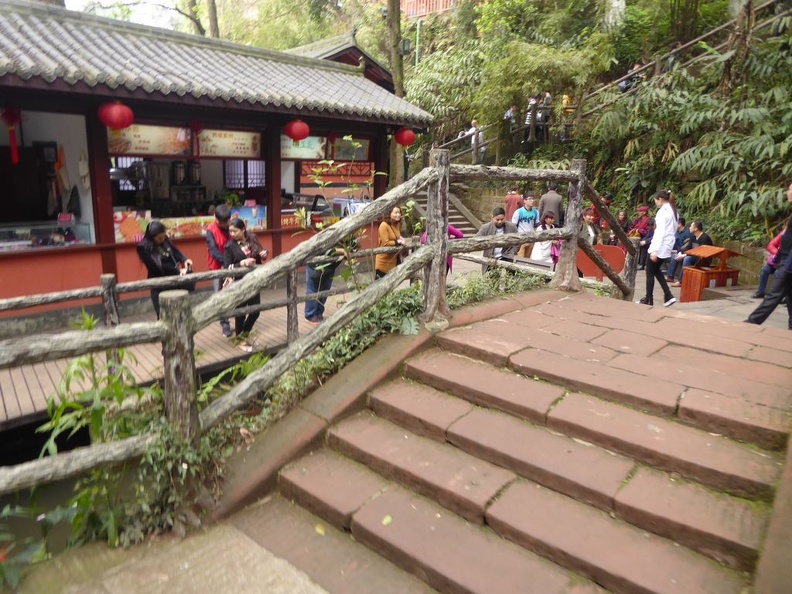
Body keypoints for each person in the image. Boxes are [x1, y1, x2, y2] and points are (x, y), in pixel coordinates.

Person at [745, 182, 792, 329]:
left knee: (774, 294)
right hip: (785, 260)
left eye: (790, 189)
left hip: (789, 262)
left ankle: (752, 322)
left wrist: (787, 266)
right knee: (790, 296)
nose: (787, 192)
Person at [224, 218, 268, 352]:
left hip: (254, 280)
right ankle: (240, 340)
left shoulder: (252, 238)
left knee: (255, 311)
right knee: (241, 312)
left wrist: (264, 254)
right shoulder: (230, 246)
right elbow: (227, 267)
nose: (232, 234)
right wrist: (242, 264)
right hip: (240, 282)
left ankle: (245, 335)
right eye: (230, 231)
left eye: (235, 231)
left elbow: (260, 255)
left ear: (243, 229)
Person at [136, 220, 193, 319]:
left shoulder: (164, 239)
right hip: (158, 283)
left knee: (179, 313)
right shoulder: (143, 247)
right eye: (159, 238)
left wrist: (184, 260)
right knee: (163, 316)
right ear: (152, 237)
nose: (162, 239)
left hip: (174, 282)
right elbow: (155, 266)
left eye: (164, 236)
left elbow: (174, 251)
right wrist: (178, 271)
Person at [636, 190, 678, 307]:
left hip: (659, 246)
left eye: (655, 200)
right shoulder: (673, 211)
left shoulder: (663, 212)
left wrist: (654, 250)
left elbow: (660, 232)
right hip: (666, 246)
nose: (656, 203)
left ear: (660, 199)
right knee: (656, 271)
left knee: (649, 271)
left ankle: (649, 298)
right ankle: (668, 295)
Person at [305, 240, 356, 324]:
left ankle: (318, 313)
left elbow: (355, 245)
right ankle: (310, 316)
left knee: (325, 289)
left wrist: (351, 251)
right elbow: (328, 251)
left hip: (330, 267)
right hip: (315, 264)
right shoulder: (333, 235)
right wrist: (343, 251)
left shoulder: (350, 238)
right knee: (313, 290)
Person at [206, 203, 233, 337]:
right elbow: (213, 251)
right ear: (216, 218)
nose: (225, 224)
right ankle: (225, 324)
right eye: (222, 222)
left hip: (233, 265)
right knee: (220, 294)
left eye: (226, 221)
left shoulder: (232, 226)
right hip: (217, 266)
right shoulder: (210, 230)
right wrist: (225, 262)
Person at [666, 220, 713, 287]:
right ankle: (670, 277)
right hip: (694, 256)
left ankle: (681, 281)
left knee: (687, 259)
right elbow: (687, 247)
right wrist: (680, 253)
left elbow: (701, 252)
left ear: (696, 228)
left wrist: (685, 255)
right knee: (675, 256)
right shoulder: (693, 237)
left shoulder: (705, 238)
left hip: (703, 258)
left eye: (691, 226)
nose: (689, 228)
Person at [476, 207, 518, 274]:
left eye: (502, 219)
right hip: (490, 259)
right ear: (492, 218)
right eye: (497, 219)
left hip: (507, 258)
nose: (500, 221)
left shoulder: (512, 227)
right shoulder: (485, 228)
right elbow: (475, 240)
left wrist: (513, 252)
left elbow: (518, 241)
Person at [753, 226, 786, 298]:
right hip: (776, 261)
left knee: (778, 273)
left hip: (786, 264)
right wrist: (777, 253)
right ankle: (760, 292)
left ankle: (779, 296)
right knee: (764, 270)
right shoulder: (783, 234)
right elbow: (771, 245)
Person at [375, 206, 405, 278]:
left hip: (393, 261)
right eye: (395, 213)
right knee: (381, 287)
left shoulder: (397, 224)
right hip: (383, 262)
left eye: (399, 213)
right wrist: (398, 242)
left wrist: (402, 238)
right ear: (389, 213)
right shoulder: (383, 225)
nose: (398, 215)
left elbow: (396, 235)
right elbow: (385, 243)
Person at [664, 217, 693, 283]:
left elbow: (687, 246)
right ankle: (663, 271)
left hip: (683, 252)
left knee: (674, 256)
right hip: (675, 250)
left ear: (679, 224)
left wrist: (678, 252)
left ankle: (670, 276)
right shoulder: (676, 232)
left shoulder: (688, 233)